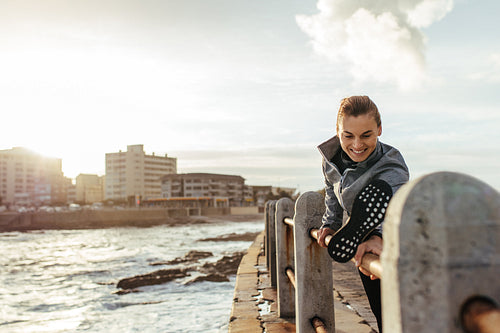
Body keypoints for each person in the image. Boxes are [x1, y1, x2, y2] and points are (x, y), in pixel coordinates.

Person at [316, 95, 409, 332]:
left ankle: (369, 235)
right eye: (348, 135)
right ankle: (364, 235)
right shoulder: (330, 160)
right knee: (381, 312)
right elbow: (330, 190)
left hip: (396, 237)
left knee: (401, 314)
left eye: (366, 135)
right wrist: (330, 223)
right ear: (337, 131)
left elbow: (395, 204)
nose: (357, 144)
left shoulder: (391, 164)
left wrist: (379, 237)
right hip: (359, 238)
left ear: (379, 129)